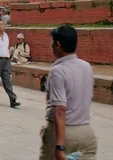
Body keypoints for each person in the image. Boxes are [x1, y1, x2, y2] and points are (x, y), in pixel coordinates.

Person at [39, 25, 97, 160]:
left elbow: (60, 109)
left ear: (57, 45)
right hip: (86, 131)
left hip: (64, 134)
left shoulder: (58, 71)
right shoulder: (86, 67)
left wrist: (59, 147)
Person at [0, 19, 20, 107]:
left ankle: (12, 99)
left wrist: (8, 58)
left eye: (3, 24)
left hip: (6, 60)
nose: (3, 26)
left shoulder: (6, 36)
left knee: (7, 80)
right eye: (1, 25)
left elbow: (6, 49)